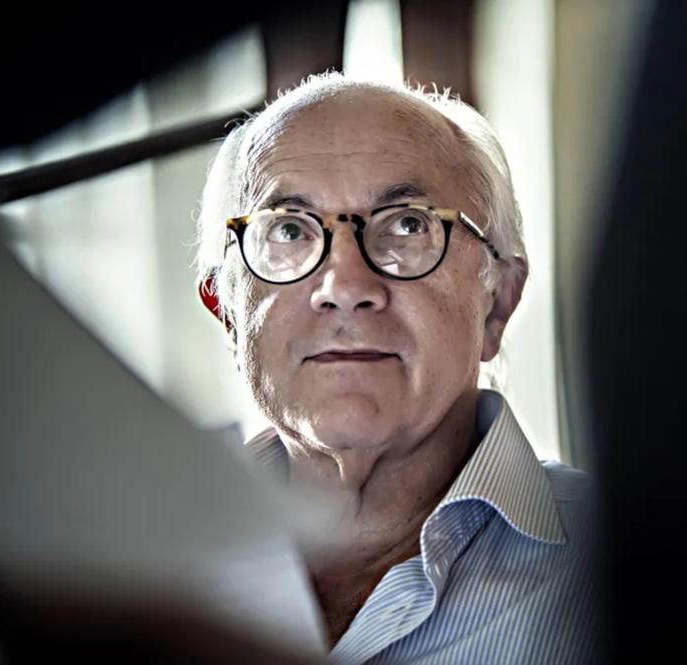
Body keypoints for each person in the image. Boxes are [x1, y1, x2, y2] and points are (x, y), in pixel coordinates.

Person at [194, 73, 600, 664]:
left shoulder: (648, 566)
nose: (344, 287)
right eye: (288, 229)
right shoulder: (118, 572)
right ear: (227, 313)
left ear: (497, 304)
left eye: (408, 225)